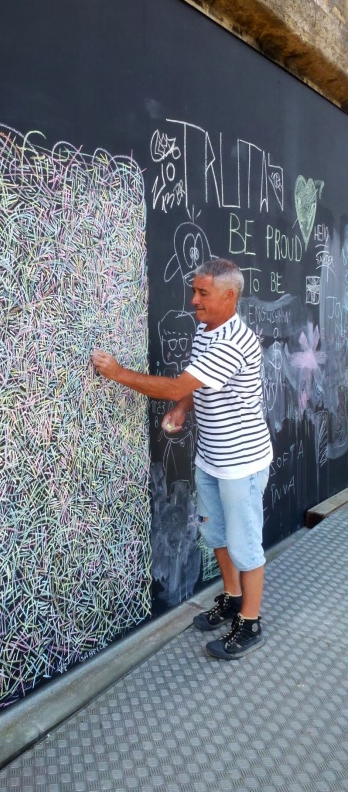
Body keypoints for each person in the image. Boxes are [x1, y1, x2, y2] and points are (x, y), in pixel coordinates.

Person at [91, 257, 272, 660]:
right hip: (211, 457)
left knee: (245, 545)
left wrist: (118, 373)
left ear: (229, 296)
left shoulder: (232, 342)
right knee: (216, 535)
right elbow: (194, 385)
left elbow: (177, 384)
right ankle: (232, 598)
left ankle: (250, 622)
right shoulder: (207, 331)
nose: (194, 300)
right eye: (194, 291)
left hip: (240, 464)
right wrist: (183, 408)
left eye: (202, 293)